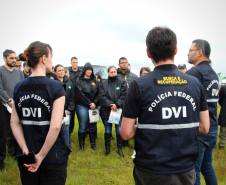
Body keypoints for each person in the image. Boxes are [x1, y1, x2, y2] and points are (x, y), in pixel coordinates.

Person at [120, 27, 210, 185]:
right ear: (175, 50)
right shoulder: (195, 83)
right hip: (185, 168)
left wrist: (151, 126)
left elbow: (126, 133)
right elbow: (204, 126)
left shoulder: (139, 84)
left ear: (148, 53)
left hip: (150, 169)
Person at [10, 41, 70, 184]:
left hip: (27, 156)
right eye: (51, 57)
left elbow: (14, 122)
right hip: (52, 156)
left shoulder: (18, 87)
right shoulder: (56, 87)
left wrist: (26, 151)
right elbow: (55, 126)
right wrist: (41, 156)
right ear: (44, 59)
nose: (51, 61)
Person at [186, 39, 219, 185]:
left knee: (195, 170)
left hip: (199, 130)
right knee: (207, 167)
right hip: (212, 128)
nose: (188, 53)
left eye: (190, 50)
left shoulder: (194, 73)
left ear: (199, 53)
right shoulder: (213, 74)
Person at [0, 49, 24, 171]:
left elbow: (22, 87)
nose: (14, 60)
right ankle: (1, 162)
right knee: (3, 134)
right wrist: (9, 100)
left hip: (18, 106)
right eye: (11, 58)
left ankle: (17, 155)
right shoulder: (0, 71)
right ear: (4, 58)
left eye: (15, 58)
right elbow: (0, 88)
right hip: (4, 107)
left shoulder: (19, 73)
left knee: (18, 132)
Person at [99, 66, 127, 157]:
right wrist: (111, 105)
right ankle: (107, 149)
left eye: (115, 72)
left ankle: (119, 148)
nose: (113, 73)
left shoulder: (122, 82)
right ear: (108, 73)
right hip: (107, 111)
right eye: (111, 72)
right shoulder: (103, 84)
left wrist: (117, 105)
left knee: (118, 130)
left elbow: (124, 95)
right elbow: (102, 96)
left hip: (118, 110)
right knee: (108, 130)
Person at [75, 62, 99, 150]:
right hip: (82, 105)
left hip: (93, 105)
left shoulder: (95, 81)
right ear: (84, 70)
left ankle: (93, 144)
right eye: (88, 70)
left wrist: (95, 103)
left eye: (91, 70)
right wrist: (90, 103)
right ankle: (81, 145)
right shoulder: (79, 81)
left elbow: (99, 93)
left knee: (92, 125)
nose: (89, 72)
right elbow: (80, 94)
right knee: (83, 125)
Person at [117, 57, 138, 147]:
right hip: (120, 103)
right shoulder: (116, 77)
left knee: (131, 123)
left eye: (125, 62)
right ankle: (121, 143)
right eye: (122, 63)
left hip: (131, 104)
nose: (124, 64)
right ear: (119, 65)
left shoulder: (134, 76)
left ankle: (130, 141)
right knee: (120, 123)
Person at [55, 64, 75, 146]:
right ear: (55, 72)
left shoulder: (69, 82)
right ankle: (57, 146)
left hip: (67, 111)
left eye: (62, 70)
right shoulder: (53, 83)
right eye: (59, 70)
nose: (61, 72)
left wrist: (70, 109)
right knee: (56, 129)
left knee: (66, 129)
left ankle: (67, 145)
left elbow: (73, 97)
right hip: (56, 111)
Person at [68, 57, 83, 136]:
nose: (75, 64)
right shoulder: (68, 72)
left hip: (80, 98)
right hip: (71, 98)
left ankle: (84, 132)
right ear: (71, 63)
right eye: (73, 62)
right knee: (71, 118)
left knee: (82, 118)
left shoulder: (81, 72)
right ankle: (69, 133)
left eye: (76, 62)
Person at [218, 85, 226, 150]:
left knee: (223, 131)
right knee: (223, 131)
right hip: (224, 112)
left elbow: (220, 100)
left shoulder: (223, 87)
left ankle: (222, 145)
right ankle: (221, 145)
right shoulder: (223, 88)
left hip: (224, 111)